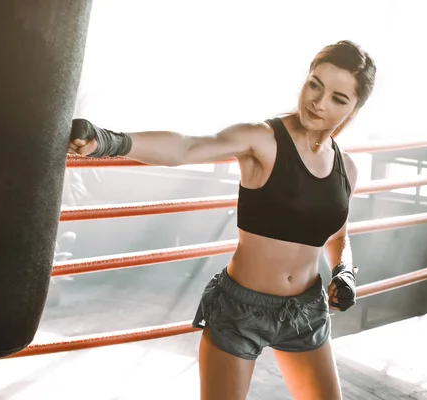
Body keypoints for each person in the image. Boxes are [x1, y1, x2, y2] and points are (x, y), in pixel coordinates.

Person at [68, 40, 376, 400]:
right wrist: (108, 141)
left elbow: (337, 234)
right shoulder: (263, 138)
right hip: (242, 310)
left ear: (354, 109)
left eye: (338, 99)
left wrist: (344, 272)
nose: (318, 102)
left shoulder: (347, 169)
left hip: (307, 312)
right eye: (315, 84)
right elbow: (187, 147)